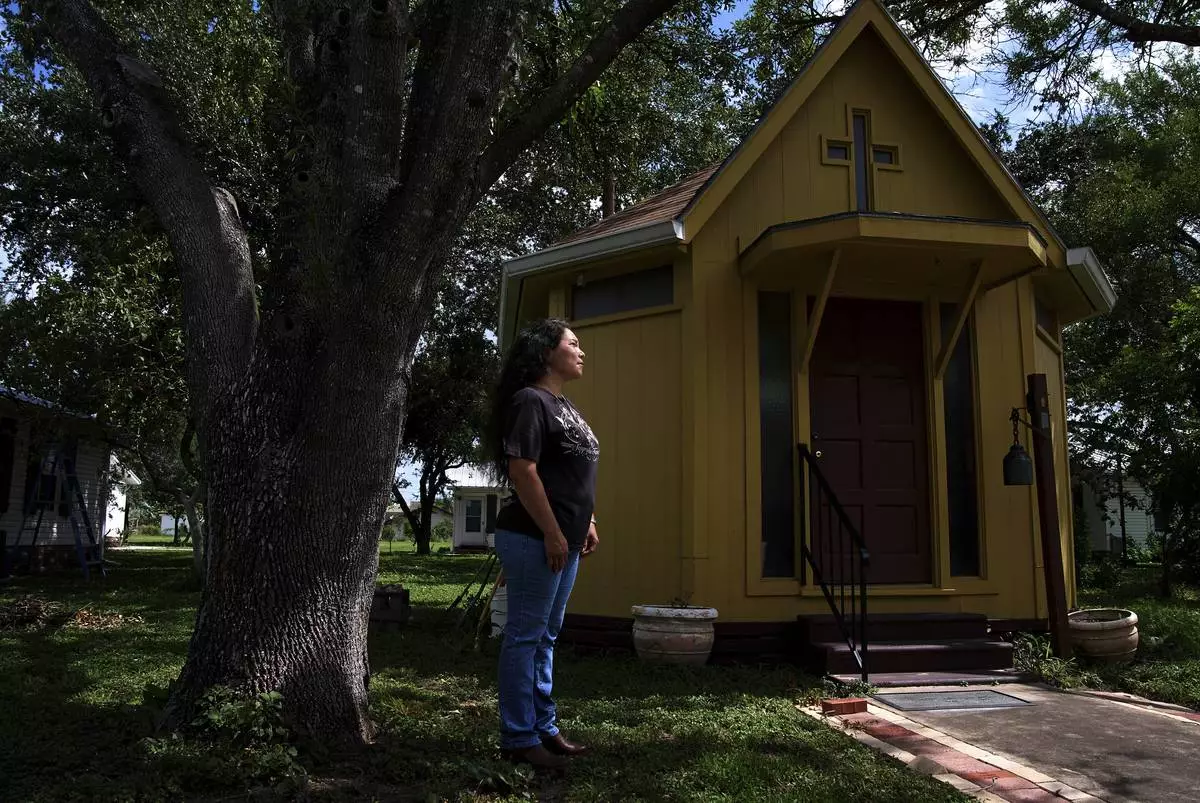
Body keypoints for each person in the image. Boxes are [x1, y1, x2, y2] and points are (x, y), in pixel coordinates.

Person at [487, 318, 600, 770]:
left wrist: (588, 520)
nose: (581, 351)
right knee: (525, 636)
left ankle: (543, 727)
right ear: (547, 352)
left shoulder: (563, 405)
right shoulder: (530, 401)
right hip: (534, 536)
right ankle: (518, 737)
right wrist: (553, 532)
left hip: (564, 539)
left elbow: (570, 474)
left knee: (546, 636)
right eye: (574, 343)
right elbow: (523, 471)